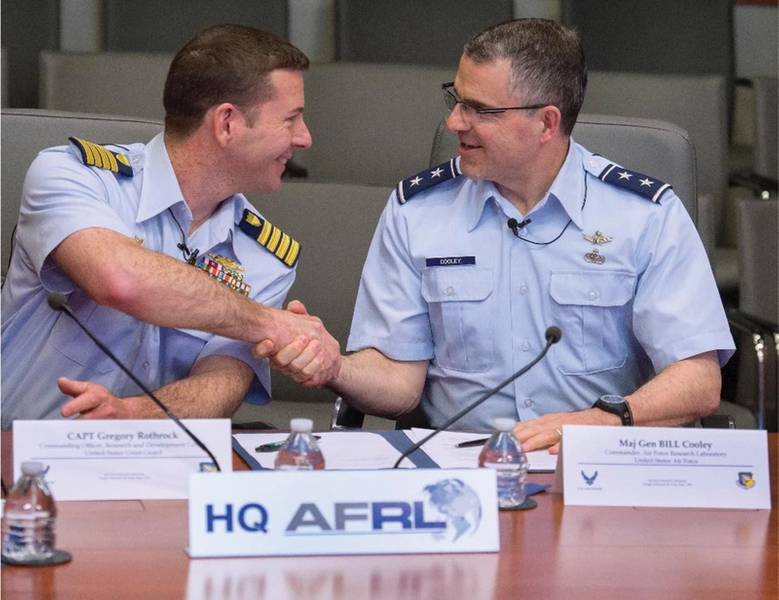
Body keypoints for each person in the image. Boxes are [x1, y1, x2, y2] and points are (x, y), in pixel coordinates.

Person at [263, 19, 735, 451]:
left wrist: (602, 422)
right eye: (456, 99)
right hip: (458, 471)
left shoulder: (644, 216)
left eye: (479, 110)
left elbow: (697, 379)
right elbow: (400, 382)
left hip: (599, 462)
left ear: (546, 122)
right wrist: (336, 367)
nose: (454, 123)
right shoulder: (419, 211)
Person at [1, 25, 339, 428]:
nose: (305, 139)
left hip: (157, 464)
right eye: (291, 119)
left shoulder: (265, 254)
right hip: (17, 462)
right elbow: (120, 280)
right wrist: (272, 323)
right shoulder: (72, 175)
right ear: (227, 122)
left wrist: (131, 416)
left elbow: (224, 379)